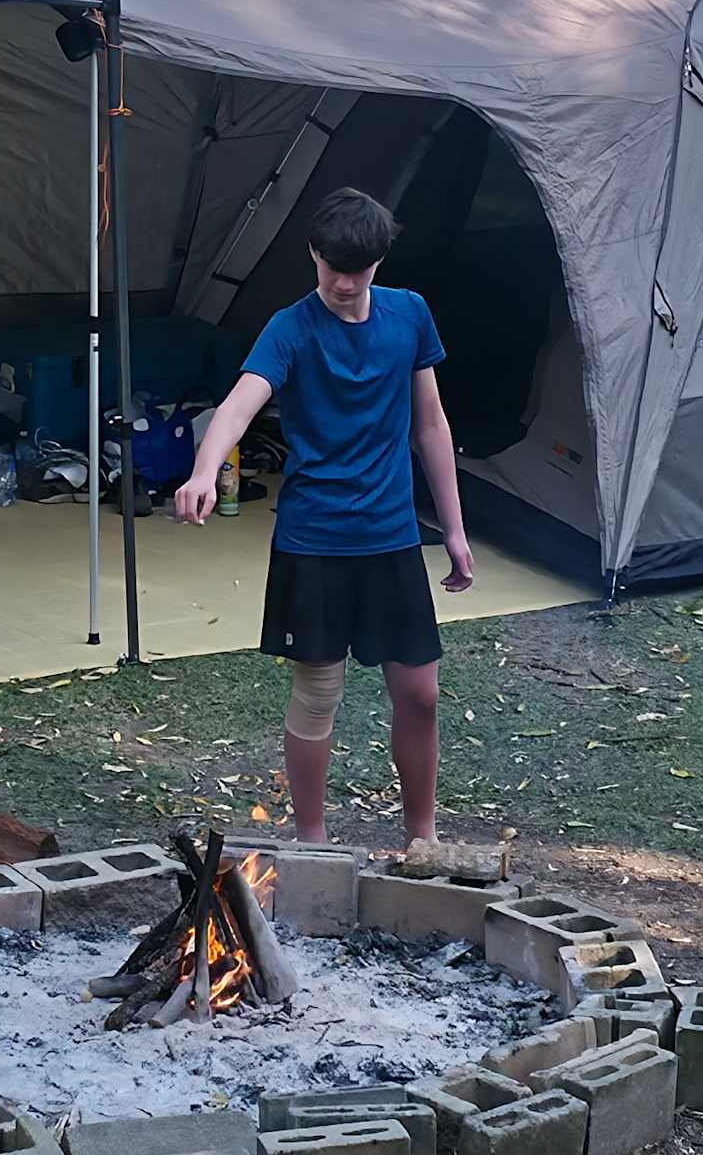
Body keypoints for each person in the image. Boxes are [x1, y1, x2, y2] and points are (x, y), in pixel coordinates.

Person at [172, 186, 475, 865]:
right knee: (318, 692)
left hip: (393, 535)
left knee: (420, 693)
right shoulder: (291, 327)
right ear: (312, 254)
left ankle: (421, 837)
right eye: (333, 265)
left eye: (359, 268)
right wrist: (202, 470)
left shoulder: (410, 315)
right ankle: (311, 843)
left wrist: (453, 529)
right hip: (315, 538)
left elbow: (430, 424)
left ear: (379, 261)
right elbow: (240, 404)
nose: (344, 282)